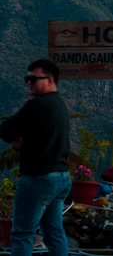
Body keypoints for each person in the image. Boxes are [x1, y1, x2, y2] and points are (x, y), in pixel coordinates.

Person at [0, 59, 71, 256]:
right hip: (61, 178)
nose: (29, 82)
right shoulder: (60, 106)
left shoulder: (37, 106)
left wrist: (17, 140)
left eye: (33, 79)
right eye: (27, 79)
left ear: (49, 80)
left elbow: (6, 129)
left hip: (38, 177)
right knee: (54, 234)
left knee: (22, 234)